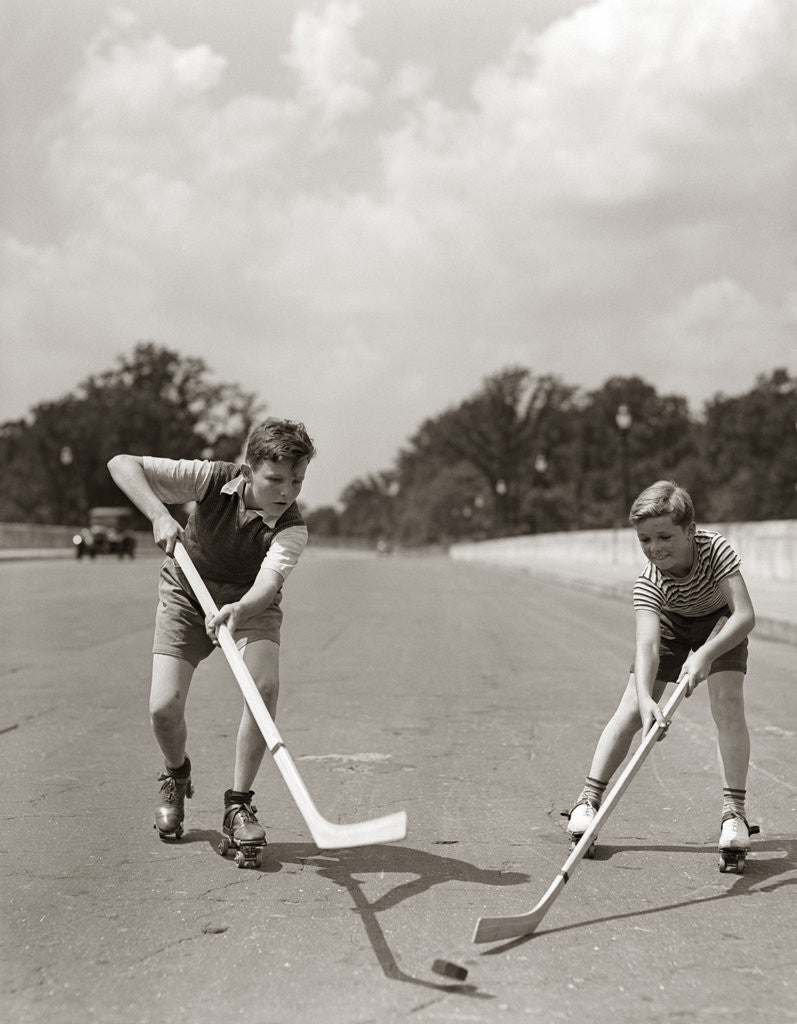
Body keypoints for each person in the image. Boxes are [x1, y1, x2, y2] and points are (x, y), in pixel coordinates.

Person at [107, 418, 316, 850]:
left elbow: (268, 584)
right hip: (187, 590)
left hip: (247, 603)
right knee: (164, 708)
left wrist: (237, 609)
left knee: (264, 689)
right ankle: (175, 773)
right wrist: (159, 515)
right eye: (275, 479)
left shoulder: (292, 527)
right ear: (248, 470)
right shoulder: (211, 478)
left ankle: (238, 804)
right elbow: (121, 463)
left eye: (297, 480)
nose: (287, 491)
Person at [565, 480, 756, 856]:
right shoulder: (648, 582)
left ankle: (734, 812)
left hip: (721, 620)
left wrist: (704, 655)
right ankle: (588, 801)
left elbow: (745, 615)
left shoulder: (715, 550)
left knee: (727, 704)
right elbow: (647, 647)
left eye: (665, 537)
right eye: (645, 541)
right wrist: (646, 701)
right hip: (671, 620)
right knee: (633, 710)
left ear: (690, 531)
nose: (655, 549)